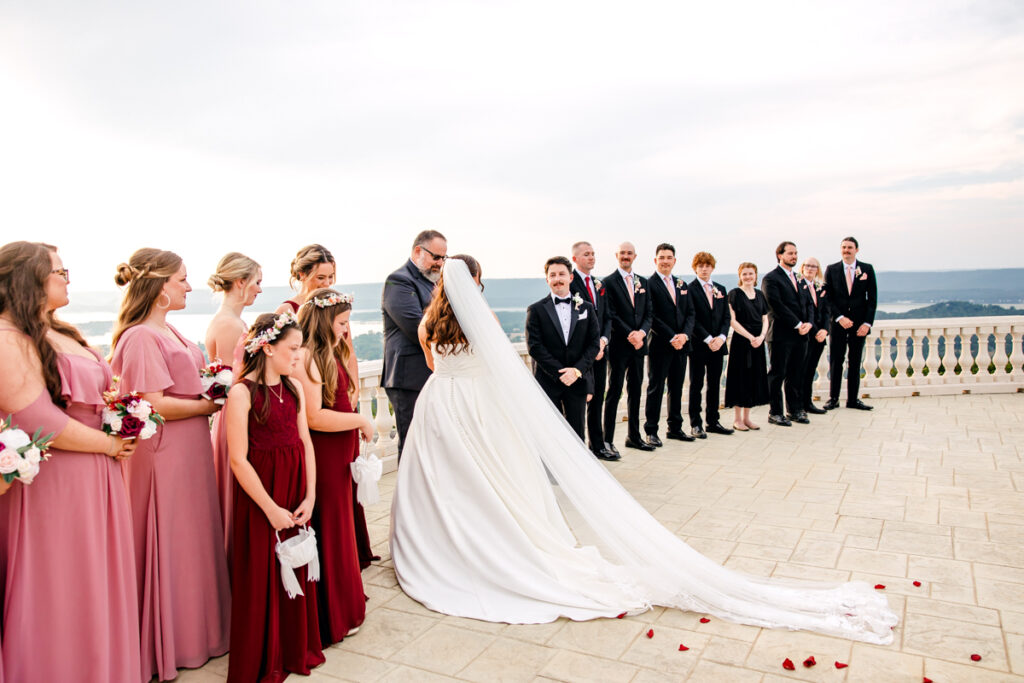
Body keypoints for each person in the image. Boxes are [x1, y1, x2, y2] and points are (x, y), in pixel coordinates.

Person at [390, 258, 897, 643]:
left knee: (449, 477)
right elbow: (500, 371)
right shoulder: (486, 324)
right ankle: (495, 538)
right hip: (481, 407)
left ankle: (452, 539)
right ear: (473, 285)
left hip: (442, 406)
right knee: (495, 478)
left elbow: (435, 367)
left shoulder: (428, 323)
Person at [0, 241, 141, 682]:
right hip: (58, 481)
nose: (67, 278)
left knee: (96, 585)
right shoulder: (8, 339)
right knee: (62, 588)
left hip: (94, 471)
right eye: (59, 271)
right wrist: (108, 445)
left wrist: (120, 421)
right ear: (28, 279)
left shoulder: (57, 330)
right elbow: (37, 417)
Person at [110, 248, 231, 681]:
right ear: (160, 287)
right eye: (182, 279)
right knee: (173, 541)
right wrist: (208, 405)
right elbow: (151, 403)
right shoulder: (142, 336)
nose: (189, 286)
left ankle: (200, 633)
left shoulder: (169, 330)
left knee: (193, 539)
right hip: (165, 455)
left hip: (190, 450)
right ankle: (171, 642)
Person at [224, 313, 325, 682]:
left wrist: (311, 495)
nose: (298, 356)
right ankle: (267, 655)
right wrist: (270, 509)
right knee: (264, 572)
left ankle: (296, 646)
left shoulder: (294, 388)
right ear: (267, 348)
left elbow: (306, 443)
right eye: (292, 349)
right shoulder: (241, 393)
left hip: (296, 487)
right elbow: (238, 458)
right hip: (262, 496)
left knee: (298, 561)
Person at [295, 289, 374, 644]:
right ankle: (333, 611)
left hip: (342, 451)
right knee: (331, 525)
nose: (345, 330)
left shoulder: (331, 352)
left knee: (343, 524)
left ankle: (347, 599)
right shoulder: (310, 357)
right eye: (342, 323)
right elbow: (314, 417)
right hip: (326, 452)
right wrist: (359, 421)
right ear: (325, 320)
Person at [205, 251, 262, 558]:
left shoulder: (235, 321)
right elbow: (231, 381)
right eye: (256, 282)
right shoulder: (229, 325)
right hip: (235, 413)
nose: (259, 289)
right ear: (240, 282)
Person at [381, 230, 447, 459]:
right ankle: (408, 495)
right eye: (436, 257)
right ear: (418, 251)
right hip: (407, 378)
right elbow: (415, 327)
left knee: (433, 445)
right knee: (412, 444)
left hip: (432, 374)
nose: (440, 263)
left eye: (443, 258)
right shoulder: (398, 280)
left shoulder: (434, 281)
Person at [525, 256, 600, 440]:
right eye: (553, 275)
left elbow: (593, 344)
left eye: (561, 274)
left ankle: (579, 468)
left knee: (577, 433)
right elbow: (534, 347)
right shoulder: (536, 310)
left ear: (571, 277)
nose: (557, 279)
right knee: (551, 434)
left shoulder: (587, 309)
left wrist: (576, 371)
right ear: (547, 279)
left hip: (577, 381)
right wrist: (560, 373)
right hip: (548, 381)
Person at [602, 242, 653, 452]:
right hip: (618, 347)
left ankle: (634, 436)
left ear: (635, 256)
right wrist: (629, 334)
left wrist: (641, 333)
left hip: (639, 346)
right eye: (622, 253)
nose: (626, 256)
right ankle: (608, 439)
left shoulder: (643, 282)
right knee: (614, 392)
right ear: (616, 255)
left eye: (629, 253)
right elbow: (610, 314)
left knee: (635, 391)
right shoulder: (608, 282)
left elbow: (649, 312)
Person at [568, 241, 617, 461]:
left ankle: (598, 445)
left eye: (593, 254)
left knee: (597, 399)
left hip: (601, 351)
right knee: (579, 401)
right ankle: (576, 449)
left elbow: (607, 316)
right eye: (586, 254)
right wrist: (591, 346)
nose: (592, 258)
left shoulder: (599, 284)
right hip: (581, 355)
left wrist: (603, 341)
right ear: (575, 259)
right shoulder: (570, 283)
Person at [644, 243, 695, 446]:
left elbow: (690, 313)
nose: (665, 261)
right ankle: (651, 430)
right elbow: (651, 315)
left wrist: (685, 336)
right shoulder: (649, 284)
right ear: (655, 260)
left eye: (669, 257)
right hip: (660, 344)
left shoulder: (682, 284)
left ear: (674, 260)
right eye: (662, 257)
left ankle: (675, 427)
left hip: (681, 345)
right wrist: (671, 336)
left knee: (676, 387)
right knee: (656, 388)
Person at [761, 242, 813, 427]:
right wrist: (797, 324)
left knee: (796, 373)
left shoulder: (800, 278)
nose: (794, 256)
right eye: (790, 253)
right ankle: (775, 412)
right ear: (779, 255)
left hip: (801, 335)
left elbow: (808, 303)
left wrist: (809, 323)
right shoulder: (771, 279)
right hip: (781, 334)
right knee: (777, 374)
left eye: (796, 253)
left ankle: (795, 410)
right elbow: (776, 305)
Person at [823, 237, 877, 410]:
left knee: (855, 362)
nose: (846, 250)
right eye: (844, 247)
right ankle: (833, 399)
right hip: (838, 324)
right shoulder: (832, 269)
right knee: (836, 361)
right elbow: (827, 298)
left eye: (850, 247)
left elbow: (872, 299)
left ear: (857, 250)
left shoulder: (867, 269)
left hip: (859, 325)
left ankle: (853, 400)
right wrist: (839, 317)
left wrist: (867, 323)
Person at [688, 252, 733, 438]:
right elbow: (692, 318)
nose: (704, 268)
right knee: (696, 384)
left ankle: (713, 421)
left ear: (712, 267)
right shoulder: (690, 289)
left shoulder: (721, 289)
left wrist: (721, 337)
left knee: (714, 384)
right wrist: (708, 339)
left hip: (718, 344)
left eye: (707, 265)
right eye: (700, 265)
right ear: (695, 268)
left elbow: (726, 316)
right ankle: (695, 424)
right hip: (699, 344)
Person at [724, 263, 769, 431]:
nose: (748, 276)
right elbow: (732, 321)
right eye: (745, 274)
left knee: (753, 379)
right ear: (740, 276)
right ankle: (737, 419)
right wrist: (751, 337)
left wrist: (762, 337)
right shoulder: (734, 294)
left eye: (751, 273)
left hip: (758, 342)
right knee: (740, 378)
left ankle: (747, 418)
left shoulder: (759, 294)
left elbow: (766, 318)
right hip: (742, 342)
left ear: (756, 276)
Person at [799, 258, 829, 415]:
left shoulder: (821, 287)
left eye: (814, 266)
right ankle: (798, 405)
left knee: (811, 370)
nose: (810, 269)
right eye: (807, 265)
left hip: (820, 336)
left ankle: (808, 402)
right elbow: (803, 313)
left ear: (818, 269)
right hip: (806, 335)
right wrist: (815, 331)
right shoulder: (798, 286)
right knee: (801, 371)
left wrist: (825, 330)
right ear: (802, 268)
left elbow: (826, 311)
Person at [276, 244, 336, 315]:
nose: (327, 283)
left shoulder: (335, 306)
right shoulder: (287, 310)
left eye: (330, 277)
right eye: (320, 277)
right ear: (302, 275)